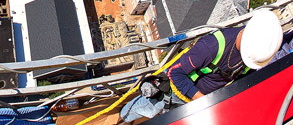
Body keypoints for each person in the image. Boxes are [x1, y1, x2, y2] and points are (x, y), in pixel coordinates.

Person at [120, 9, 283, 122]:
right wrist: (205, 102)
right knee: (147, 108)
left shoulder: (256, 53)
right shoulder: (213, 46)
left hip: (199, 100)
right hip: (175, 91)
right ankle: (122, 119)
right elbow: (175, 73)